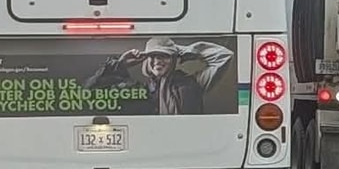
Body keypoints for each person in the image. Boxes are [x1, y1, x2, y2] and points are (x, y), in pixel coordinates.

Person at [84, 37, 234, 115]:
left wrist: (182, 50)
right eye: (153, 56)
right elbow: (88, 92)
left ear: (173, 59)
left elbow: (224, 56)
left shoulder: (192, 83)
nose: (158, 61)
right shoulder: (137, 90)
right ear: (147, 60)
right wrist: (120, 64)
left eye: (164, 56)